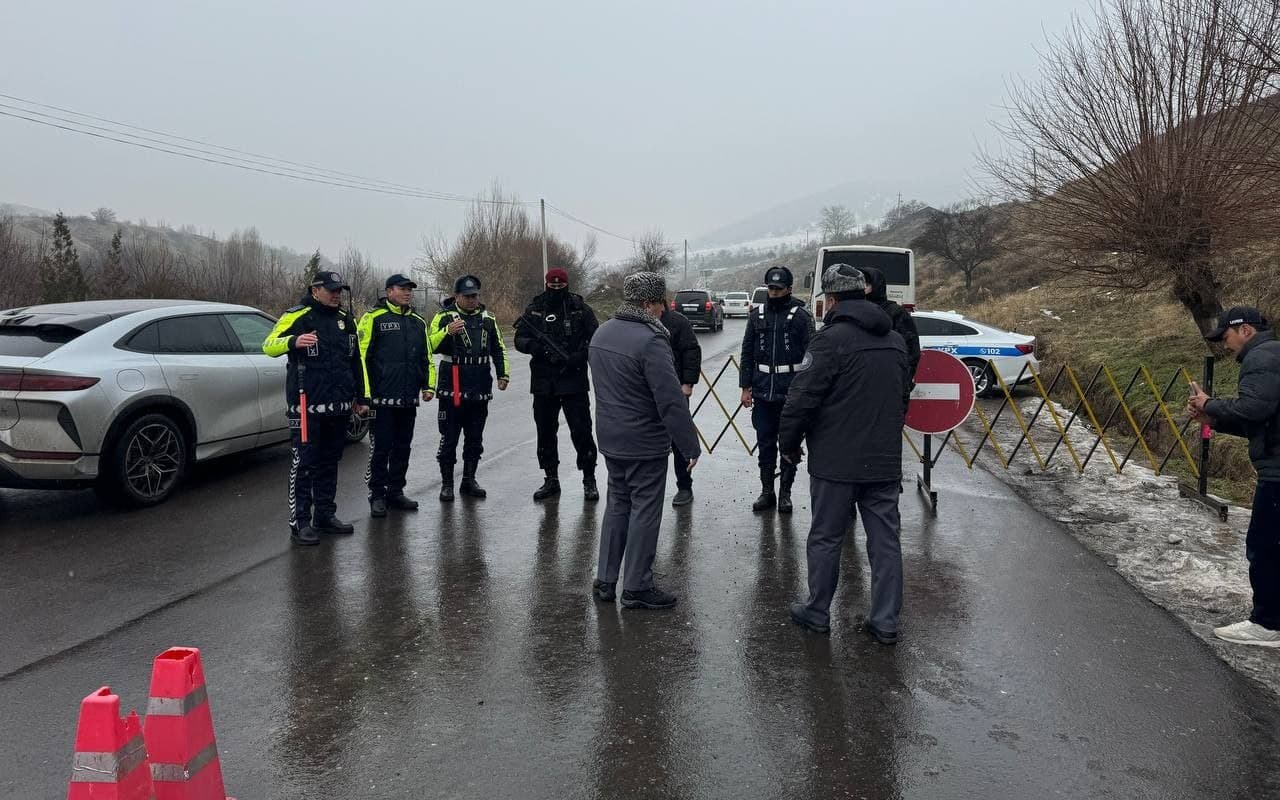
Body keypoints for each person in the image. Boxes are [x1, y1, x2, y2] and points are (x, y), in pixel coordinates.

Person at [779, 264, 909, 644]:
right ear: (863, 295)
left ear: (831, 299)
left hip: (835, 463)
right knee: (885, 541)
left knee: (826, 537)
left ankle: (817, 611)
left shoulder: (828, 341)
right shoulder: (895, 341)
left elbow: (801, 400)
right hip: (884, 461)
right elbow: (902, 397)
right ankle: (885, 621)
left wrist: (789, 445)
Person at [589, 272, 701, 609]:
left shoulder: (602, 332)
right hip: (644, 441)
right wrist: (689, 444)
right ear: (648, 303)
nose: (663, 311)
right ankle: (637, 585)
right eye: (661, 304)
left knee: (618, 505)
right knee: (645, 511)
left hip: (611, 437)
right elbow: (669, 399)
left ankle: (606, 579)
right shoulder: (651, 340)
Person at [1188, 306, 1280, 647]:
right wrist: (1213, 420)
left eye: (1226, 337)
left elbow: (1254, 409)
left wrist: (1211, 405)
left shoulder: (1263, 358)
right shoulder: (1271, 355)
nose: (1225, 345)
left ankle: (1267, 624)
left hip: (1277, 474)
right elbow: (1264, 423)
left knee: (1265, 547)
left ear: (1245, 330)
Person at [262, 270, 368, 546]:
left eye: (339, 290)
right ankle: (300, 523)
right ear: (315, 289)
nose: (336, 295)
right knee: (305, 464)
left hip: (339, 406)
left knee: (330, 463)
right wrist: (293, 341)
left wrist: (361, 396)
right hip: (306, 407)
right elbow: (268, 345)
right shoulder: (298, 315)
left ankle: (325, 515)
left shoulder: (346, 320)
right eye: (331, 290)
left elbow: (355, 360)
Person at [514, 267, 600, 502]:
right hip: (544, 382)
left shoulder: (580, 309)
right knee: (545, 432)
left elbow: (596, 338)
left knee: (581, 431)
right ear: (546, 285)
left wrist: (579, 357)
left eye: (560, 287)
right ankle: (551, 478)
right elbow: (519, 338)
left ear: (567, 285)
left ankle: (589, 479)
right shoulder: (535, 308)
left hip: (574, 379)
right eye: (552, 287)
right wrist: (535, 348)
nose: (556, 290)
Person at [738, 265, 815, 514]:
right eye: (770, 287)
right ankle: (767, 491)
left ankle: (785, 494)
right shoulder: (756, 315)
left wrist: (805, 391)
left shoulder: (802, 316)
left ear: (789, 289)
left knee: (789, 445)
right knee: (765, 445)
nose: (773, 292)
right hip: (762, 392)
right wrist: (745, 387)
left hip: (790, 394)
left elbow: (811, 356)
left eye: (778, 289)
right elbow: (747, 352)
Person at [357, 273, 435, 518]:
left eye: (409, 289)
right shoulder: (373, 318)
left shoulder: (418, 322)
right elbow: (360, 358)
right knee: (381, 448)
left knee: (403, 447)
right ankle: (377, 495)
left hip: (408, 397)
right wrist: (365, 395)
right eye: (402, 288)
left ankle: (396, 491)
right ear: (389, 291)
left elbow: (427, 356)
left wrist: (428, 385)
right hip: (381, 399)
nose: (407, 292)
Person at [429, 275, 510, 501]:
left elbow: (499, 348)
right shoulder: (443, 317)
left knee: (475, 437)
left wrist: (503, 374)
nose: (472, 300)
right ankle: (447, 484)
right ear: (457, 296)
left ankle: (469, 480)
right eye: (467, 296)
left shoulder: (488, 319)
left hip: (480, 386)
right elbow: (430, 344)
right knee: (449, 437)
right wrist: (448, 332)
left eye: (475, 295)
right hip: (452, 386)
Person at [660, 301, 702, 506]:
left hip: (675, 389)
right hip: (647, 392)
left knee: (679, 439)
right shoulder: (639, 322)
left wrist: (688, 382)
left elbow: (691, 351)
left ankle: (684, 486)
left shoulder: (678, 322)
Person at [856, 265, 921, 381]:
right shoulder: (854, 311)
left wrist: (903, 384)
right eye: (859, 284)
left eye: (866, 284)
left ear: (876, 286)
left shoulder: (896, 312)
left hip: (889, 381)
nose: (862, 288)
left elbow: (911, 351)